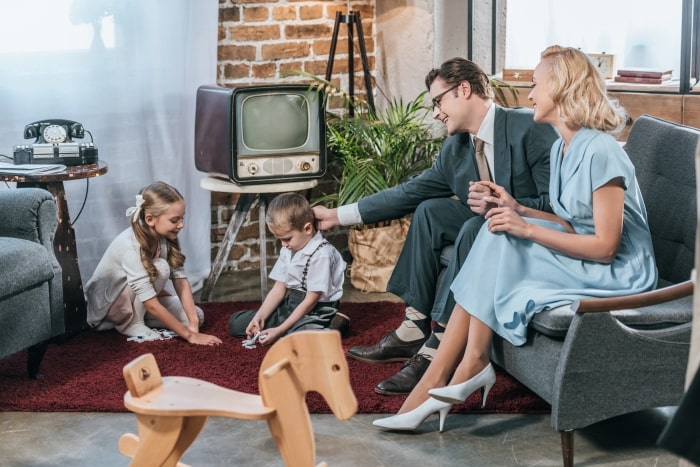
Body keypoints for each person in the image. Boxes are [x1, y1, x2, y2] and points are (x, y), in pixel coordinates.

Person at [372, 45, 659, 432]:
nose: (529, 95)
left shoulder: (602, 151)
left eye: (536, 84)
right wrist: (518, 210)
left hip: (622, 272)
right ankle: (460, 368)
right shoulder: (561, 147)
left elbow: (606, 247)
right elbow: (569, 222)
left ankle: (447, 377)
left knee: (503, 235)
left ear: (561, 87)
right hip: (586, 254)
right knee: (498, 225)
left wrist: (523, 228)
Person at [313, 57, 558, 395]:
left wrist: (506, 205)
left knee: (475, 227)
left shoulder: (528, 127)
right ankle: (414, 328)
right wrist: (336, 216)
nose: (435, 113)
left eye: (438, 101)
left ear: (465, 90)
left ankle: (438, 346)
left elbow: (556, 205)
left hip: (535, 235)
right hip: (493, 229)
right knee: (430, 210)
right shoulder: (455, 148)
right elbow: (408, 193)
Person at [86, 181, 222, 346]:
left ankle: (139, 318)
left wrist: (192, 324)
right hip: (110, 306)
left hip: (139, 301)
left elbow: (180, 279)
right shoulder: (130, 247)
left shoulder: (164, 238)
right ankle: (132, 323)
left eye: (182, 217)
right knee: (161, 268)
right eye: (174, 220)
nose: (181, 225)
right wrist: (190, 336)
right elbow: (151, 304)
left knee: (197, 316)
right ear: (150, 219)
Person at [228, 192, 347, 345]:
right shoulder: (289, 249)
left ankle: (334, 325)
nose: (283, 245)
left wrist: (279, 330)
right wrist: (259, 318)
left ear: (308, 228)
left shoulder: (321, 254)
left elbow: (311, 300)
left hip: (316, 310)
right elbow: (279, 289)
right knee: (236, 323)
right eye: (279, 239)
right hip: (292, 304)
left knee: (296, 341)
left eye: (287, 239)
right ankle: (292, 329)